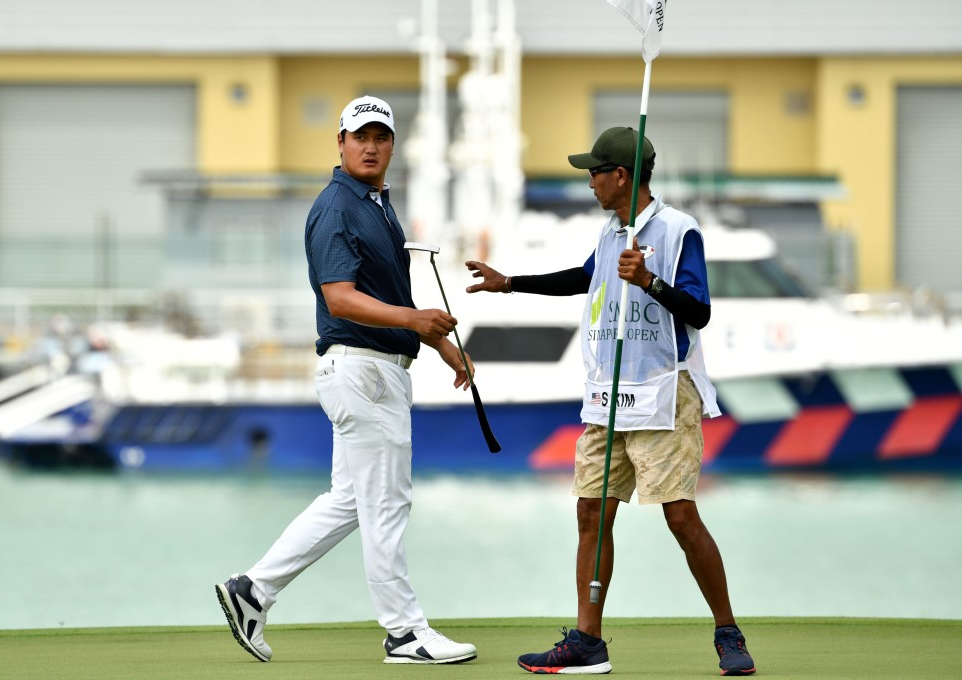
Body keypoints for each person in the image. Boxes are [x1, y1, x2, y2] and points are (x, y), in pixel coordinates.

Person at [465, 127, 756, 676]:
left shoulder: (677, 230)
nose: (590, 180)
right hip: (607, 397)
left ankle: (728, 632)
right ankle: (586, 641)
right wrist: (510, 284)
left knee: (680, 516)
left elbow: (699, 311)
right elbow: (584, 278)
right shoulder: (608, 233)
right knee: (590, 512)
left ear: (621, 176)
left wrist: (648, 280)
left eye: (596, 171)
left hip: (665, 393)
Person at [215, 95, 478, 666]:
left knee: (350, 500)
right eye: (360, 136)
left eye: (381, 136)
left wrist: (438, 344)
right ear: (340, 142)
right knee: (386, 505)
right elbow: (339, 297)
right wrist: (415, 322)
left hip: (372, 369)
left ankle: (253, 590)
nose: (370, 145)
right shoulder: (337, 206)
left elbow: (388, 295)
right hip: (363, 370)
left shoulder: (378, 205)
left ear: (391, 145)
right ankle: (404, 633)